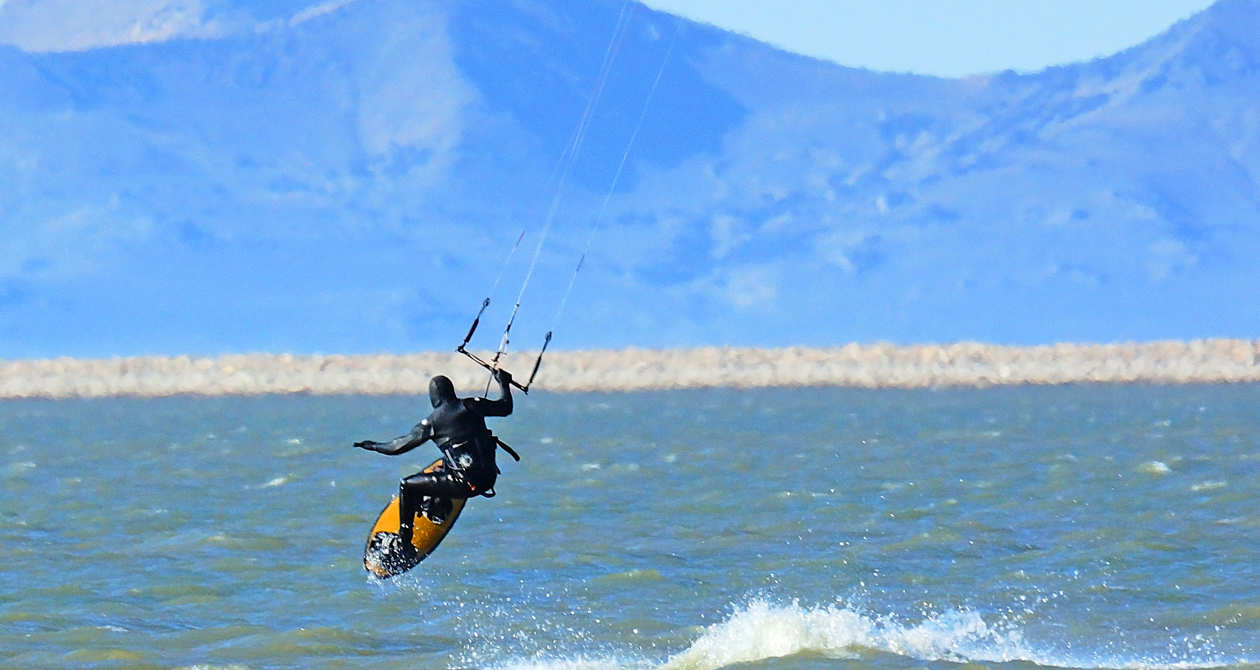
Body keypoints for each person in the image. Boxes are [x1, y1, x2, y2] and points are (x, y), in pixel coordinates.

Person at [354, 369, 513, 557]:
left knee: (408, 485)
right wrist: (503, 382)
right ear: (451, 391)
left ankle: (404, 541)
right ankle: (439, 504)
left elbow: (397, 447)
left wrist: (373, 446)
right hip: (489, 478)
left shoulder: (432, 423)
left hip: (464, 484)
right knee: (445, 464)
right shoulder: (471, 405)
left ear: (433, 399)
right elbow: (505, 407)